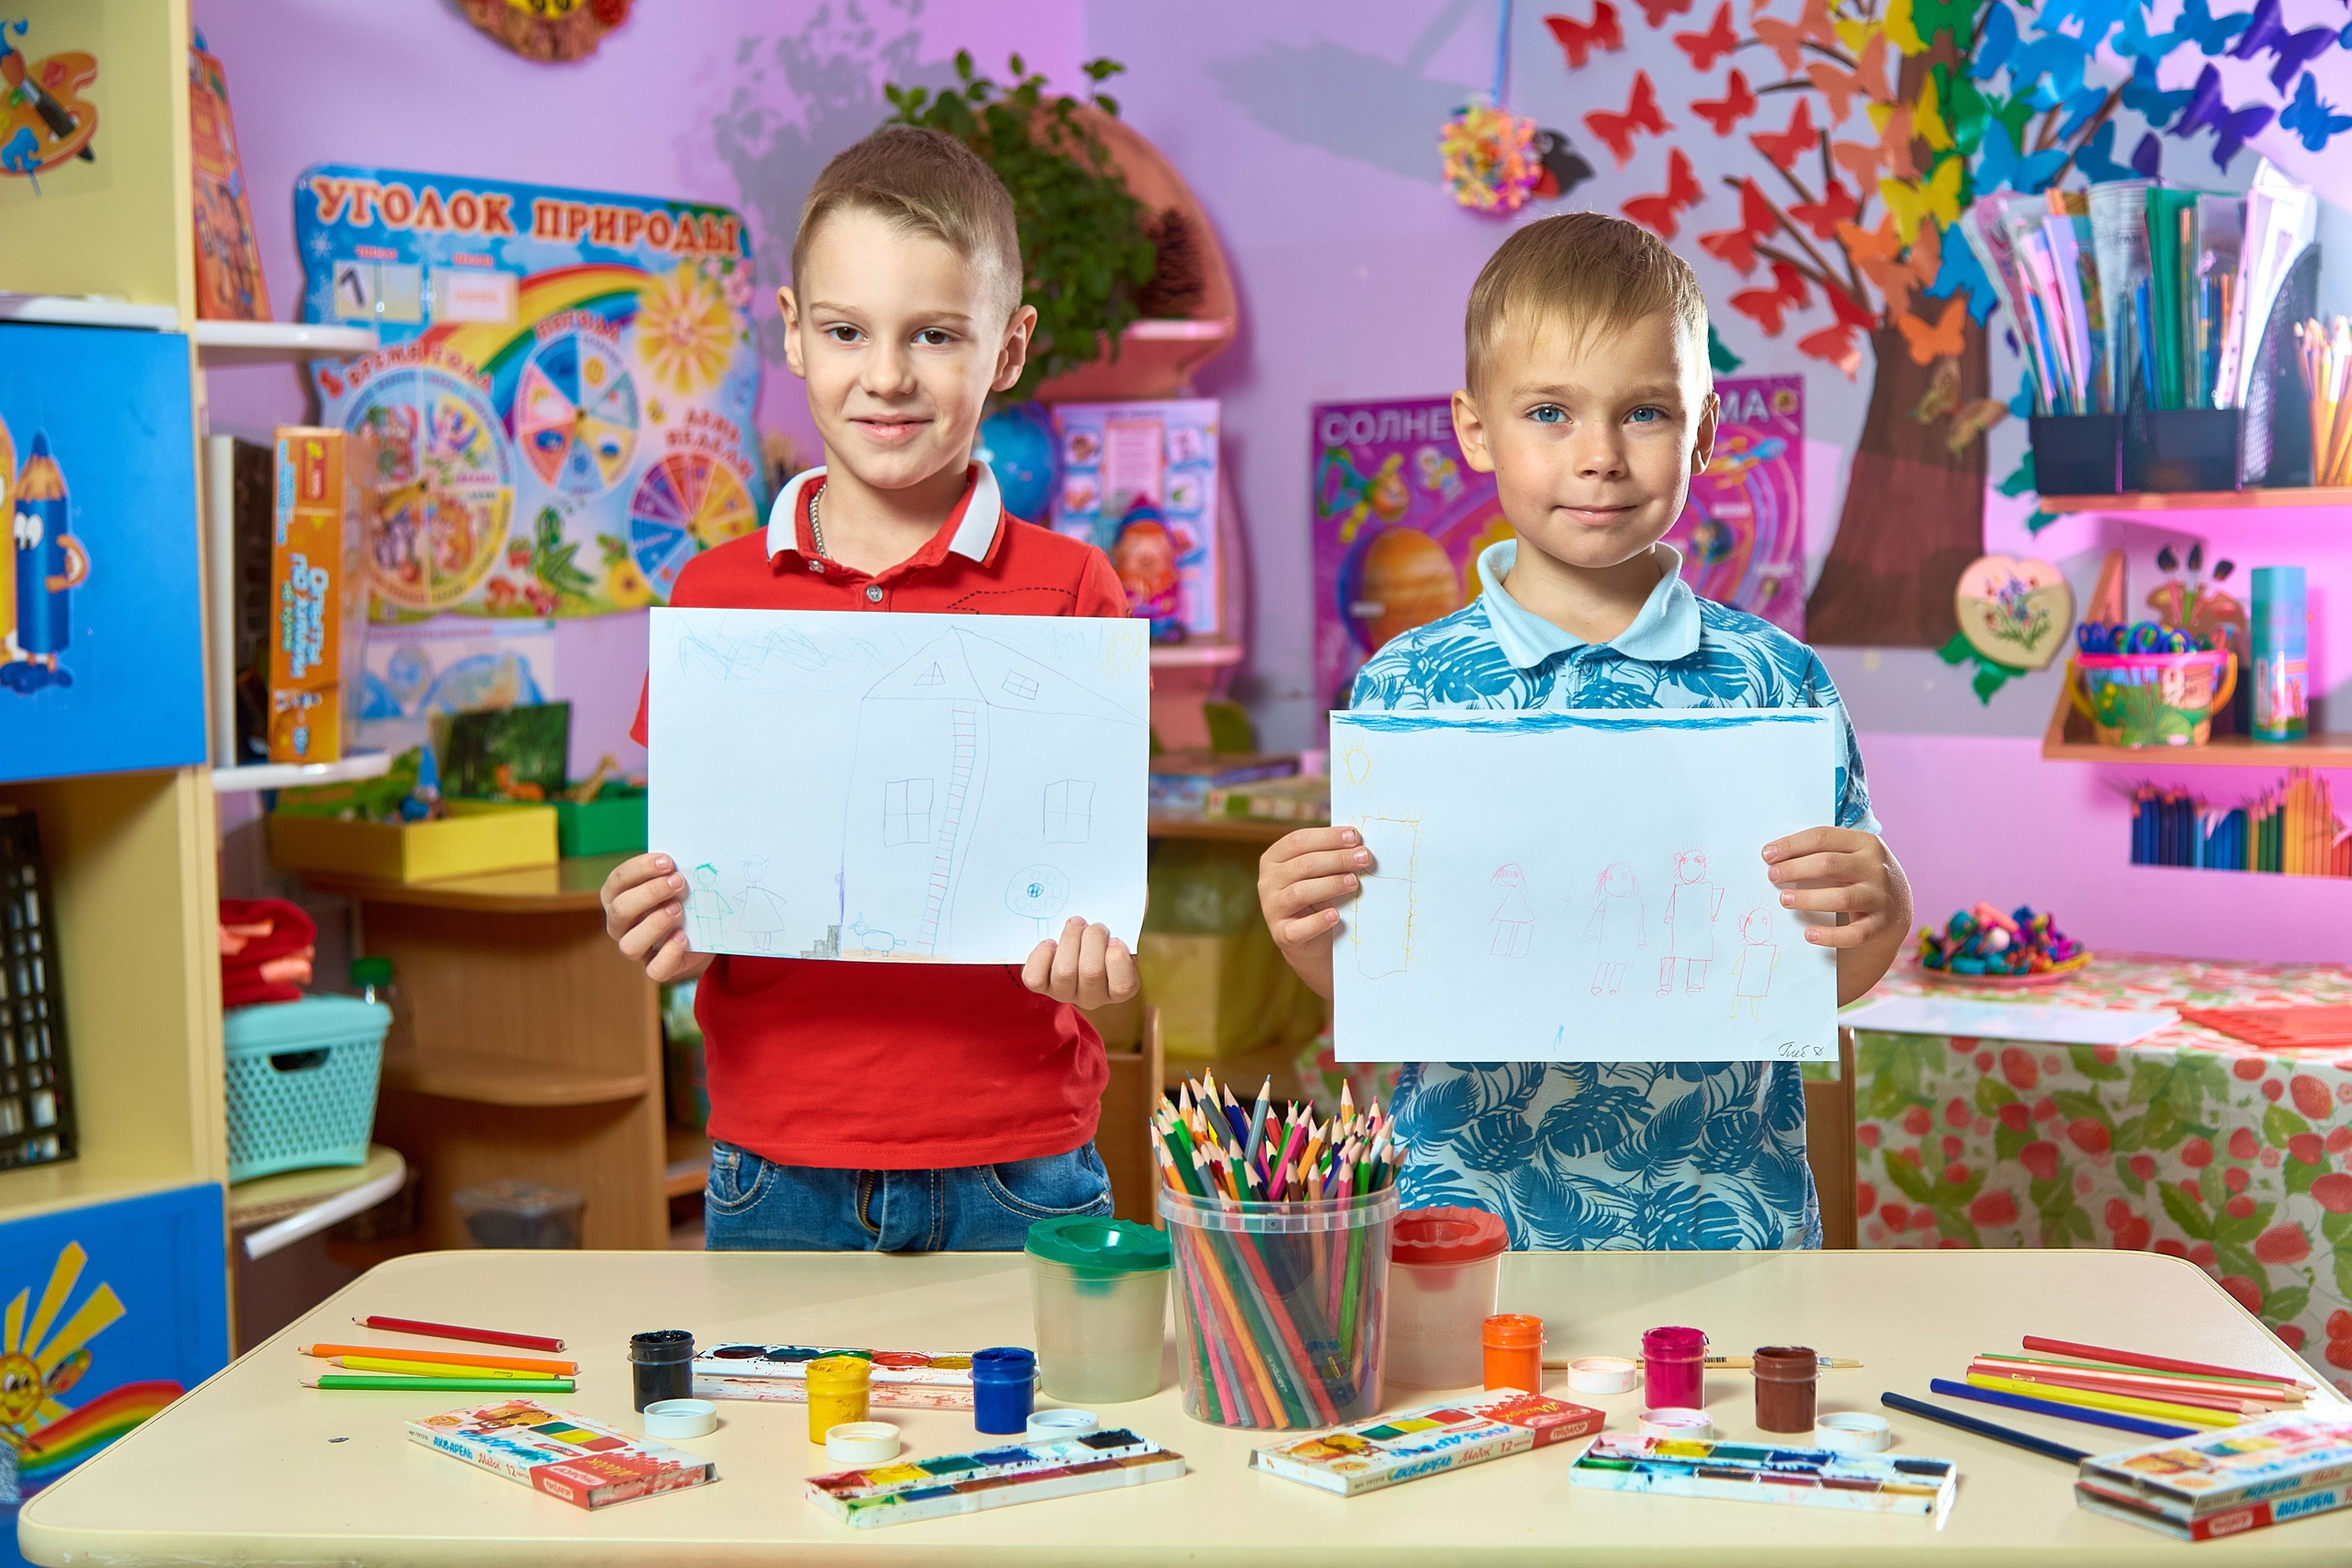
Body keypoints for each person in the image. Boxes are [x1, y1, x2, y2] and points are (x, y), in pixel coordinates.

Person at [1256, 213, 1912, 1250]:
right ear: (1476, 430)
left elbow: (1825, 962)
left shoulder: (1773, 683)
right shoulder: (1407, 689)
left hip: (1725, 1215)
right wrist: (1307, 937)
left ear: (1703, 430)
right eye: (1550, 412)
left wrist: (1881, 909)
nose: (1599, 457)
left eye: (1645, 412)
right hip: (1462, 1218)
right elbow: (1395, 977)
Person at [601, 125, 1138, 1251]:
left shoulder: (1072, 588)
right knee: (773, 1436)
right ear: (793, 335)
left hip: (1019, 1155)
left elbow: (1095, 884)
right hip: (777, 1157)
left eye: (935, 336)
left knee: (1038, 1434)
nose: (886, 376)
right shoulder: (715, 596)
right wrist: (662, 918)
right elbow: (699, 872)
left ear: (1008, 348)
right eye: (847, 331)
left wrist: (1103, 966)